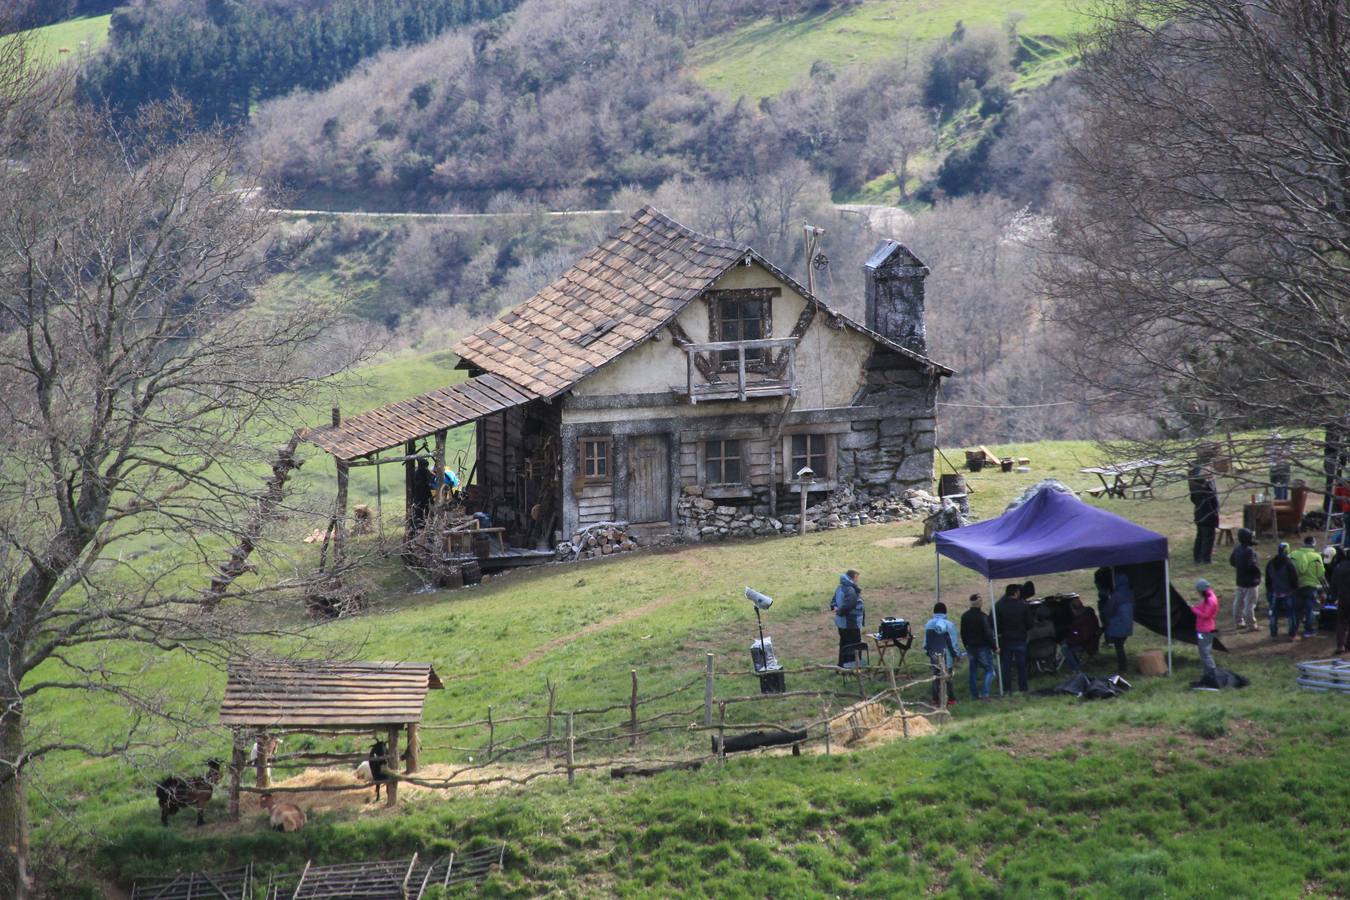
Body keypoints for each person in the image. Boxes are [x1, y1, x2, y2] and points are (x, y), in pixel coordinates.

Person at [923, 602, 964, 707]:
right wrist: (957, 655)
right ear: (945, 612)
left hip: (934, 656)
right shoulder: (949, 625)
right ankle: (951, 700)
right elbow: (953, 643)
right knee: (948, 678)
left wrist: (929, 653)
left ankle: (935, 700)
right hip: (947, 657)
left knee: (936, 678)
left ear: (934, 612)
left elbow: (926, 644)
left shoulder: (928, 624)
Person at [994, 583, 1033, 693]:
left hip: (1005, 640)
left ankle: (1007, 689)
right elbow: (1030, 623)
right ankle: (1023, 688)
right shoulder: (1023, 606)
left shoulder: (999, 606)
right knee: (1021, 666)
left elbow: (994, 622)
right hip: (1020, 639)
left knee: (1006, 667)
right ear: (1016, 593)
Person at [960, 594, 996, 700]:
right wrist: (994, 647)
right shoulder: (983, 616)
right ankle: (985, 693)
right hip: (983, 647)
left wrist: (966, 645)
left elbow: (963, 633)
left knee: (973, 671)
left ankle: (974, 694)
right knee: (990, 670)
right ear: (979, 603)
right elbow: (988, 634)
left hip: (970, 647)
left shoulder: (965, 616)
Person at [1290, 536, 1326, 640]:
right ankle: (1308, 630)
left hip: (1296, 586)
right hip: (1310, 587)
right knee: (1309, 609)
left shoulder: (1293, 554)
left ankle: (1294, 631)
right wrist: (1325, 587)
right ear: (1313, 543)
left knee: (1296, 610)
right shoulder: (1316, 556)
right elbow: (1320, 574)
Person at [1228, 527, 1262, 632]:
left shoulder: (1237, 548)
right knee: (1250, 604)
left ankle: (1239, 622)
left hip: (1240, 579)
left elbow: (1232, 561)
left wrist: (1240, 568)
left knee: (1238, 602)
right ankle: (1251, 625)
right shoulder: (1250, 551)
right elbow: (1252, 566)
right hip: (1251, 581)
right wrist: (1257, 575)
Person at [1101, 572, 1134, 674]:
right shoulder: (1130, 594)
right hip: (1128, 625)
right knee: (1120, 645)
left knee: (1119, 646)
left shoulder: (1116, 595)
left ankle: (1122, 668)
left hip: (1118, 624)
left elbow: (1108, 610)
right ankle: (1123, 666)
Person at [1266, 542, 1299, 638]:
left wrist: (1269, 591)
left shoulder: (1271, 563)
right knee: (1291, 614)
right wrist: (1294, 589)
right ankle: (1292, 633)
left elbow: (1268, 579)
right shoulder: (1289, 563)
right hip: (1288, 592)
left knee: (1274, 614)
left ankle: (1273, 632)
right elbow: (1294, 579)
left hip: (1275, 592)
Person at [831, 570, 864, 667]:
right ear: (853, 577)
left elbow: (833, 601)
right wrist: (840, 611)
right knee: (854, 645)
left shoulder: (839, 588)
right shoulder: (851, 589)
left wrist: (835, 608)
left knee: (844, 644)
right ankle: (853, 668)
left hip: (841, 624)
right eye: (857, 577)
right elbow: (849, 604)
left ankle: (842, 666)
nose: (858, 579)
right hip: (851, 623)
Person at [1062, 595, 1102, 674]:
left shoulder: (1080, 622)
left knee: (1064, 647)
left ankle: (1075, 668)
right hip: (1092, 640)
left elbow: (1081, 637)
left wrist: (1068, 641)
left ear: (1074, 609)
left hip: (1086, 644)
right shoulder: (1090, 615)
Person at [1189, 466, 1220, 564]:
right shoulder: (1207, 487)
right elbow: (1213, 501)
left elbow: (1193, 499)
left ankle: (1197, 558)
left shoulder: (1195, 486)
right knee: (1208, 538)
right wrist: (1214, 512)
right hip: (1208, 515)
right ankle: (1206, 559)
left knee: (1200, 537)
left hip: (1198, 514)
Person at [1191, 579, 1220, 680]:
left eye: (1198, 590)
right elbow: (1203, 609)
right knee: (1204, 651)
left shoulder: (1211, 600)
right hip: (1204, 628)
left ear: (1202, 590)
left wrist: (1193, 609)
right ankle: (1208, 672)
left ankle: (1212, 673)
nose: (1197, 593)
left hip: (1206, 630)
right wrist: (1195, 607)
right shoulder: (1207, 597)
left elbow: (1206, 615)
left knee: (1205, 652)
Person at [1329, 549, 1350, 654]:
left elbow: (1333, 582)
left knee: (1341, 622)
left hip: (1343, 598)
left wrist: (1333, 596)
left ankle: (1340, 645)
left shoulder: (1339, 566)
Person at [411, 458, 434, 530]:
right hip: (425, 494)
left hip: (418, 495)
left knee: (418, 510)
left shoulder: (416, 472)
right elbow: (431, 478)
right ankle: (426, 523)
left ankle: (419, 524)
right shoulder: (425, 471)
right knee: (426, 509)